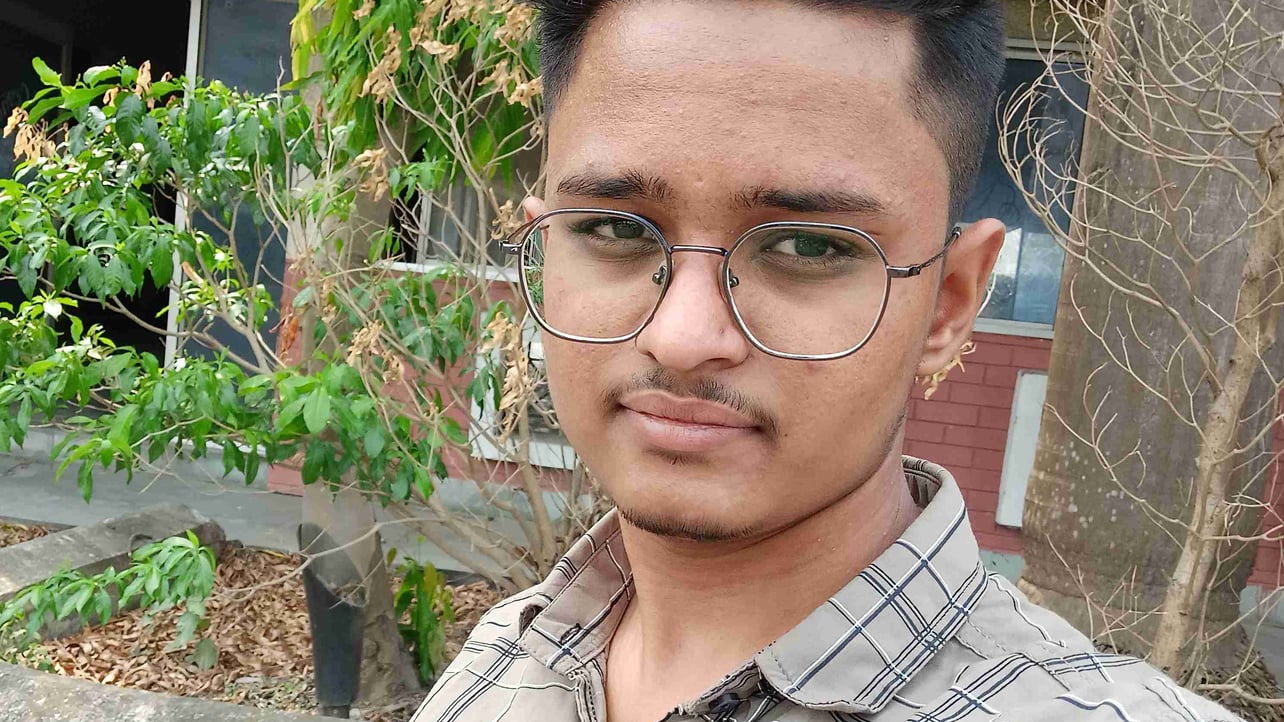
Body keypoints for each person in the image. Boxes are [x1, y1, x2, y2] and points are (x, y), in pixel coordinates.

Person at [412, 1, 1243, 720]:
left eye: (808, 245)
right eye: (615, 229)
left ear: (949, 303)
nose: (683, 336)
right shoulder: (499, 662)